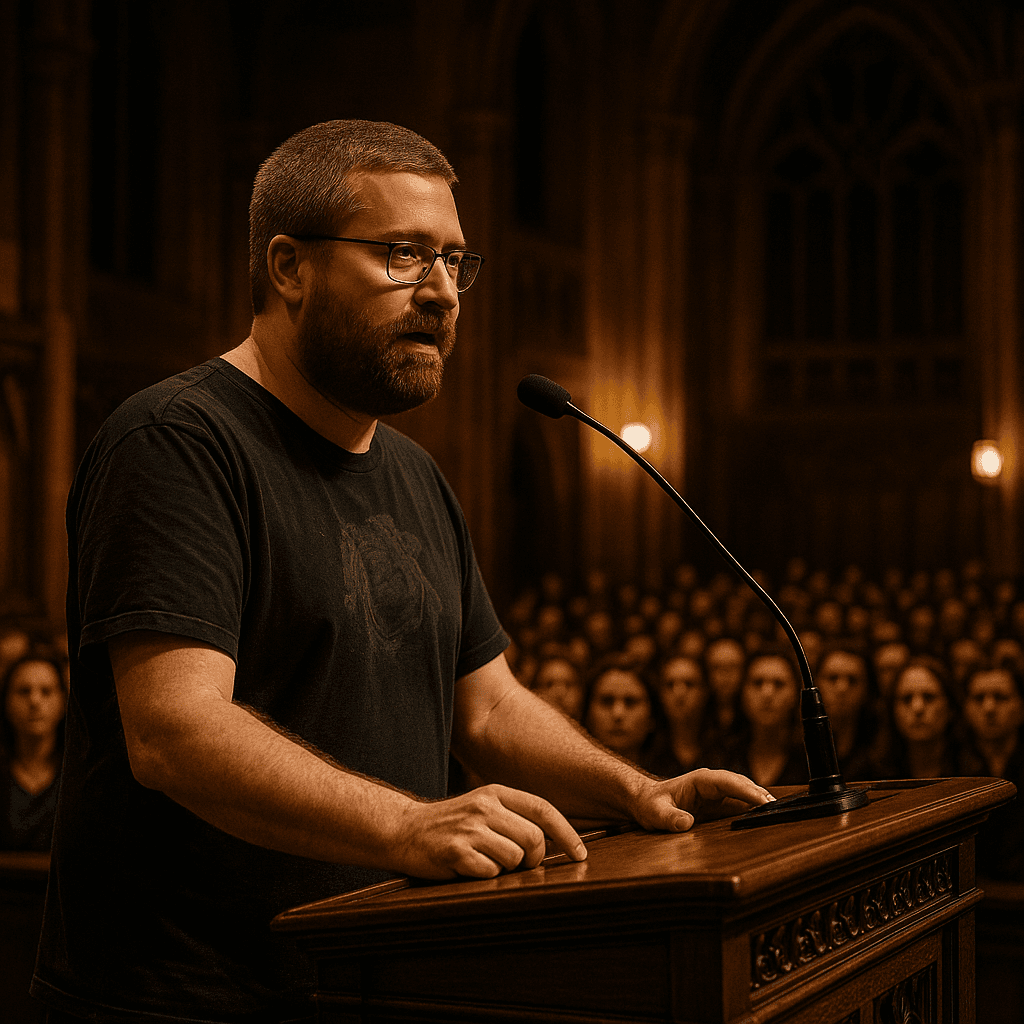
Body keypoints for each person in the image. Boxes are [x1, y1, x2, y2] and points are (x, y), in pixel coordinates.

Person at [32, 120, 770, 1023]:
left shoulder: (415, 474)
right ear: (288, 267)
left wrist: (640, 792)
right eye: (402, 255)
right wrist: (410, 825)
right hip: (184, 995)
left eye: (456, 261)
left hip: (372, 976)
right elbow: (175, 732)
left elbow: (487, 708)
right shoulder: (178, 443)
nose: (444, 293)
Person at [959, 666, 1024, 879]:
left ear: (1021, 707)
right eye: (979, 698)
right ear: (966, 708)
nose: (989, 707)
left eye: (1001, 697)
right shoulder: (954, 768)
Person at [1, 652, 67, 850]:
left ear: (64, 702)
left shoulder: (80, 774)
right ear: (6, 701)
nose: (35, 701)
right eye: (23, 691)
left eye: (46, 691)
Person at [720, 646, 808, 788]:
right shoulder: (721, 758)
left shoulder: (813, 761)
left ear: (795, 694)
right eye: (757, 683)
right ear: (742, 692)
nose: (767, 693)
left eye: (778, 684)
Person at [876, 655, 961, 779]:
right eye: (906, 699)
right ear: (892, 710)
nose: (918, 708)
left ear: (950, 707)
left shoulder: (976, 773)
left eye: (929, 697)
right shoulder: (871, 775)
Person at [815, 642, 879, 781]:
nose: (842, 688)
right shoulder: (795, 752)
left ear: (867, 688)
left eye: (852, 680)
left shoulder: (880, 754)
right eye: (832, 678)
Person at [646, 655, 718, 778]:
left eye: (689, 684)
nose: (679, 693)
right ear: (660, 693)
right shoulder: (646, 751)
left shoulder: (724, 749)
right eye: (670, 685)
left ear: (705, 691)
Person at [582, 655, 657, 767]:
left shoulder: (676, 780)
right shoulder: (563, 781)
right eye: (607, 701)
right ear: (588, 712)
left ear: (651, 716)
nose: (617, 713)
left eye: (630, 702)